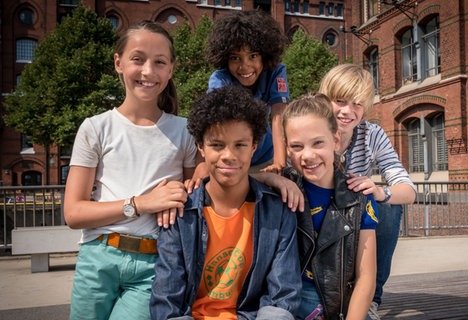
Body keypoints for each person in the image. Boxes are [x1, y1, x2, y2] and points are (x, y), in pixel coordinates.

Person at [64, 21, 197, 320]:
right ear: (118, 63)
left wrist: (182, 192)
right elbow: (73, 213)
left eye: (159, 62)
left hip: (155, 265)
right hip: (97, 257)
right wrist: (141, 204)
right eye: (138, 59)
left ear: (171, 70)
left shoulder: (185, 131)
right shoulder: (95, 128)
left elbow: (198, 190)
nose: (148, 71)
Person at [150, 85, 302, 320]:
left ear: (254, 146)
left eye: (240, 145)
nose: (228, 155)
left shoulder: (277, 211)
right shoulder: (179, 212)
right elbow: (168, 302)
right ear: (201, 146)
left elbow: (282, 296)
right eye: (217, 145)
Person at [318, 64, 417, 316]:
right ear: (325, 99)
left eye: (357, 104)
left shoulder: (372, 134)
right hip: (315, 209)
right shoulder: (311, 127)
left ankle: (371, 299)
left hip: (352, 213)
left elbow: (408, 189)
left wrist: (381, 192)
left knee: (386, 207)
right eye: (339, 101)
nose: (348, 111)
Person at [281, 93, 379, 320]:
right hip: (293, 302)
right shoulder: (281, 189)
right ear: (287, 149)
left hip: (341, 303)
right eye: (297, 146)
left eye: (318, 143)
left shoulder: (358, 197)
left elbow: (366, 276)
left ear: (335, 141)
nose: (308, 155)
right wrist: (271, 179)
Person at [205, 9, 289, 173]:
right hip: (233, 159)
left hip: (266, 157)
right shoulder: (220, 80)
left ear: (264, 55)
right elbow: (216, 125)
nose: (245, 66)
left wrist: (279, 165)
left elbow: (278, 115)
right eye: (235, 58)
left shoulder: (276, 72)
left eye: (253, 56)